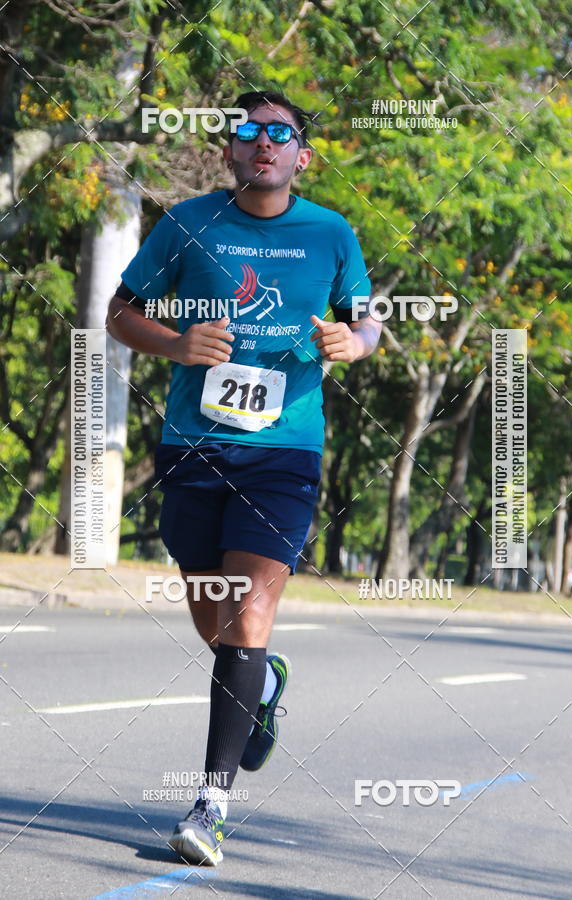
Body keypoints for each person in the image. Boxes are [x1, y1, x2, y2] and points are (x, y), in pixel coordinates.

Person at [105, 89, 381, 866]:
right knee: (216, 622)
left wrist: (353, 342)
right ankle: (259, 687)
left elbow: (367, 317)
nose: (264, 144)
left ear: (302, 155)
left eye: (280, 134)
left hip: (284, 452)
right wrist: (176, 344)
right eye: (249, 132)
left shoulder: (330, 233)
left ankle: (210, 806)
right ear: (228, 149)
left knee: (250, 615)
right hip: (193, 446)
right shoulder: (188, 224)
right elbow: (119, 315)